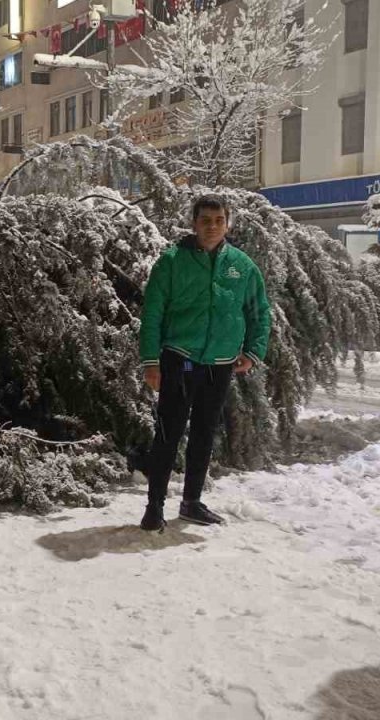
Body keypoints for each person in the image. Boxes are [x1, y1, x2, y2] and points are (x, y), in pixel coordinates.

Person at [138, 195, 272, 531]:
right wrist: (151, 362)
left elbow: (259, 312)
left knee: (204, 433)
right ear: (194, 223)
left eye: (219, 220)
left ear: (228, 223)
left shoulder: (242, 266)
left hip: (220, 363)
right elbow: (152, 313)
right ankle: (154, 506)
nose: (212, 226)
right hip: (179, 360)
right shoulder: (171, 262)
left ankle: (191, 502)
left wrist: (253, 351)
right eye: (205, 220)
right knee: (168, 433)